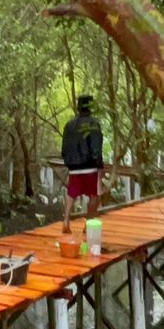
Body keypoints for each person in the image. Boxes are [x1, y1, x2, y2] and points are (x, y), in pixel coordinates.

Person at [61, 94, 104, 232]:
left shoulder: (69, 125)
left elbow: (64, 148)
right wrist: (99, 164)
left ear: (78, 107)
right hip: (90, 166)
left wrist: (69, 162)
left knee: (71, 193)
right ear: (91, 107)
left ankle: (66, 220)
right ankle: (88, 224)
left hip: (74, 167)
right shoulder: (94, 124)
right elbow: (96, 146)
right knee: (93, 195)